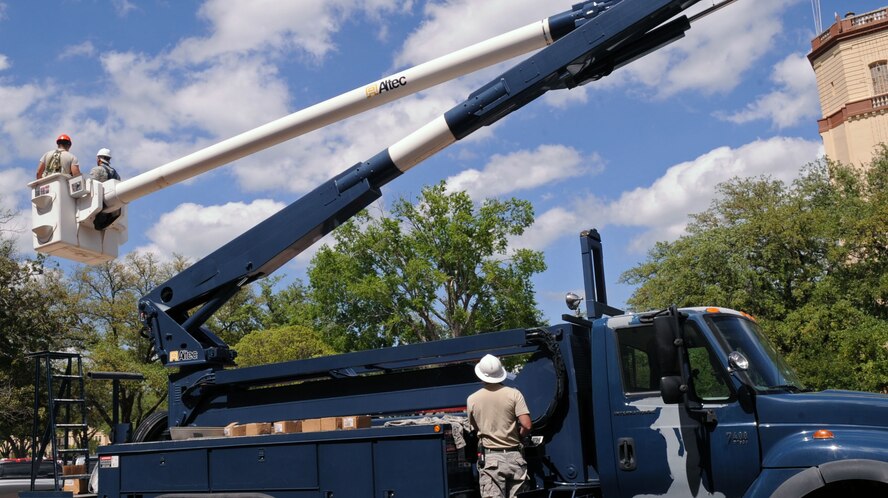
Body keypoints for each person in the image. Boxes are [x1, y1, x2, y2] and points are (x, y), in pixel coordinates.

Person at [467, 354, 532, 498]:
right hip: (515, 457)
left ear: (481, 375)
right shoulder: (514, 394)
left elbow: (475, 427)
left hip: (491, 460)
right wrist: (519, 437)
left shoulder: (472, 399)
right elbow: (526, 425)